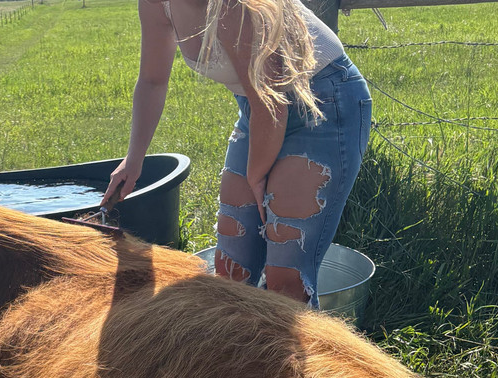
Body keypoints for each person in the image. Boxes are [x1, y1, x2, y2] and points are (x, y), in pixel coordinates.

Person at [102, 0, 372, 307]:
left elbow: (272, 105)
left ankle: (290, 354)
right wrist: (133, 160)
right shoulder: (156, 2)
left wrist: (256, 175)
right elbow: (152, 80)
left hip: (323, 102)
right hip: (258, 108)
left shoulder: (234, 4)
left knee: (286, 280)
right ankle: (238, 353)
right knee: (231, 269)